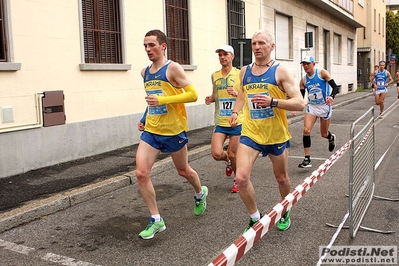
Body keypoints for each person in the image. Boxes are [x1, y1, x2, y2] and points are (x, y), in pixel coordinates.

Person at [229, 30, 305, 232]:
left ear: (271, 47)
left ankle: (285, 207)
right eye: (254, 43)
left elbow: (300, 103)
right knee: (241, 178)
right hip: (251, 133)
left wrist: (273, 102)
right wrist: (236, 112)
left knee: (281, 178)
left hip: (275, 135)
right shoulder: (244, 71)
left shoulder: (281, 71)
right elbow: (242, 95)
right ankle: (255, 217)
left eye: (261, 43)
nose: (256, 47)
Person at [136, 29, 208, 240]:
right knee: (141, 173)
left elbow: (193, 95)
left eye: (152, 45)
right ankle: (156, 220)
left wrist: (163, 101)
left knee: (184, 171)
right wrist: (144, 116)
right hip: (152, 130)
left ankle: (199, 192)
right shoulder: (145, 73)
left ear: (163, 46)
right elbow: (153, 98)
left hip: (173, 131)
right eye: (145, 46)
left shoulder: (173, 68)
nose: (148, 49)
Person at [205, 45, 243, 193]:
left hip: (236, 121)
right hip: (220, 121)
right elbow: (215, 95)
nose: (222, 57)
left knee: (234, 153)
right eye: (220, 55)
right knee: (216, 154)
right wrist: (211, 98)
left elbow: (245, 96)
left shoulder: (240, 74)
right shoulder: (215, 75)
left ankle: (237, 179)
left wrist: (236, 93)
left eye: (225, 54)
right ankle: (228, 161)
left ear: (232, 56)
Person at [298, 56, 340, 168]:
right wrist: (295, 105)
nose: (305, 66)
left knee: (324, 134)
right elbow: (300, 97)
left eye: (307, 64)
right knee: (306, 130)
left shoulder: (322, 73)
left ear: (313, 64)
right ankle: (307, 159)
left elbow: (335, 87)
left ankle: (331, 138)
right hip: (312, 107)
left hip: (325, 106)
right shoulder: (303, 80)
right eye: (304, 64)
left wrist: (331, 96)